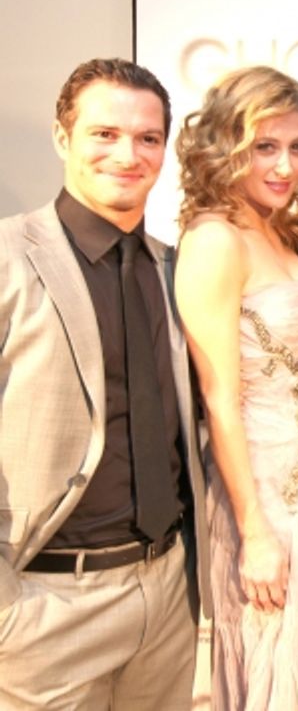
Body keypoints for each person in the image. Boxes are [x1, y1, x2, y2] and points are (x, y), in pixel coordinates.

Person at [0, 58, 209, 709]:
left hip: (169, 596)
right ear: (64, 139)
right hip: (47, 608)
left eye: (148, 138)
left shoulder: (177, 269)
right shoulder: (9, 260)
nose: (129, 153)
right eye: (104, 134)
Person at [174, 66, 298, 710]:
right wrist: (254, 530)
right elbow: (217, 399)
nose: (284, 166)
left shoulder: (280, 229)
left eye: (297, 147)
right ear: (228, 146)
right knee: (276, 657)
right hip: (263, 492)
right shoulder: (214, 240)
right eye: (265, 147)